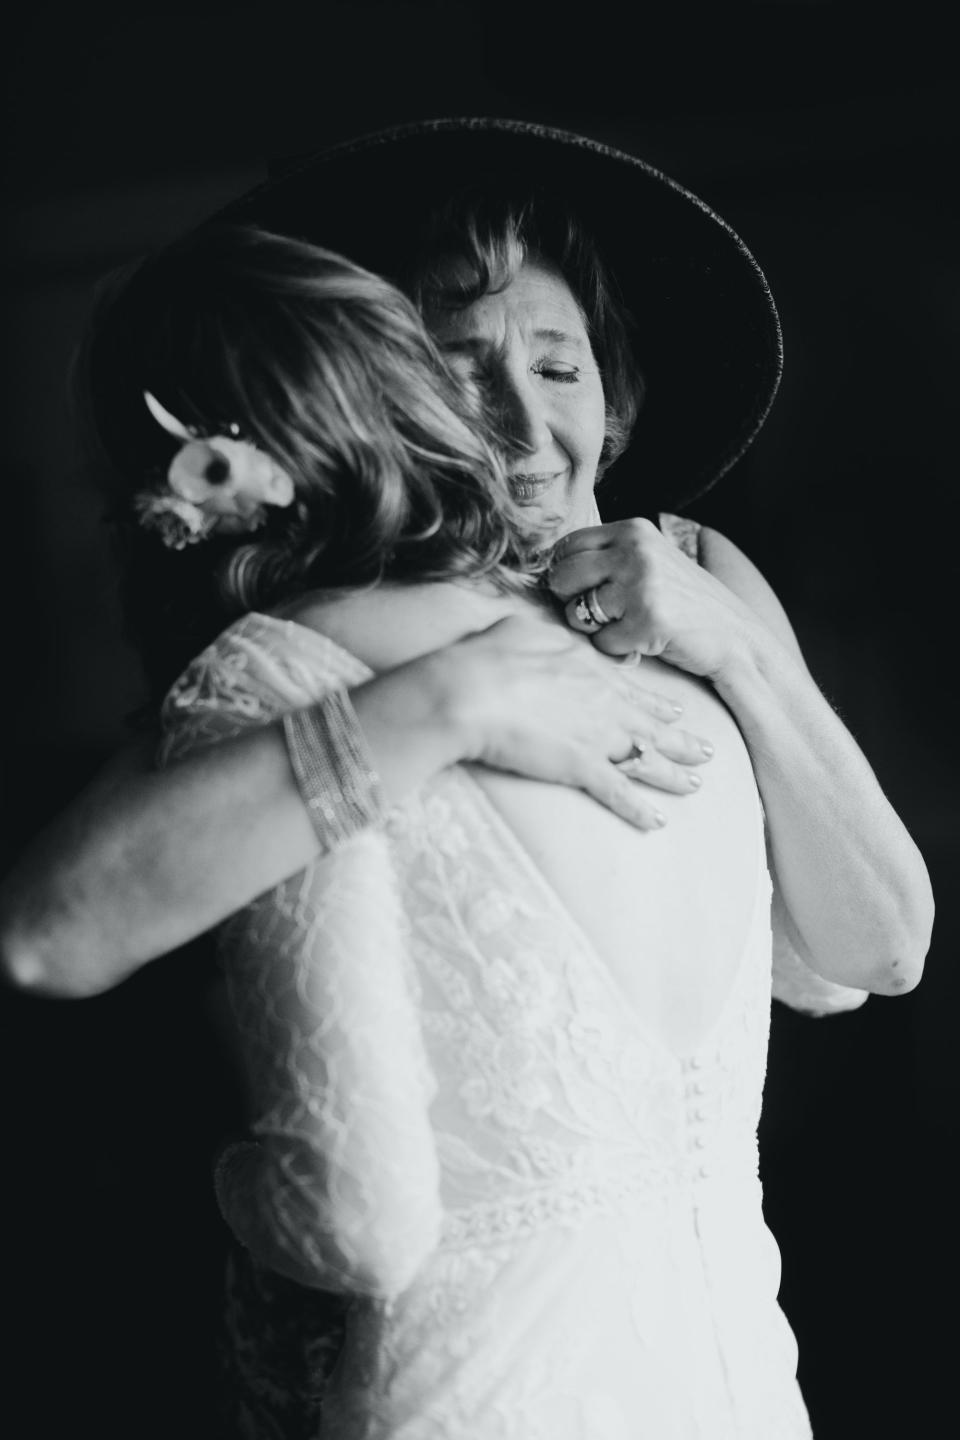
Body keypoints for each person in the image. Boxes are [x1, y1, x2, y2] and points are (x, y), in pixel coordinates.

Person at [0, 122, 933, 1437]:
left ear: (622, 399)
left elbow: (883, 946)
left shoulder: (707, 579)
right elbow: (50, 928)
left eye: (559, 363)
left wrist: (749, 664)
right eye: (459, 361)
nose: (520, 415)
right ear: (387, 390)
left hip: (746, 1387)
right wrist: (459, 695)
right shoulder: (323, 640)